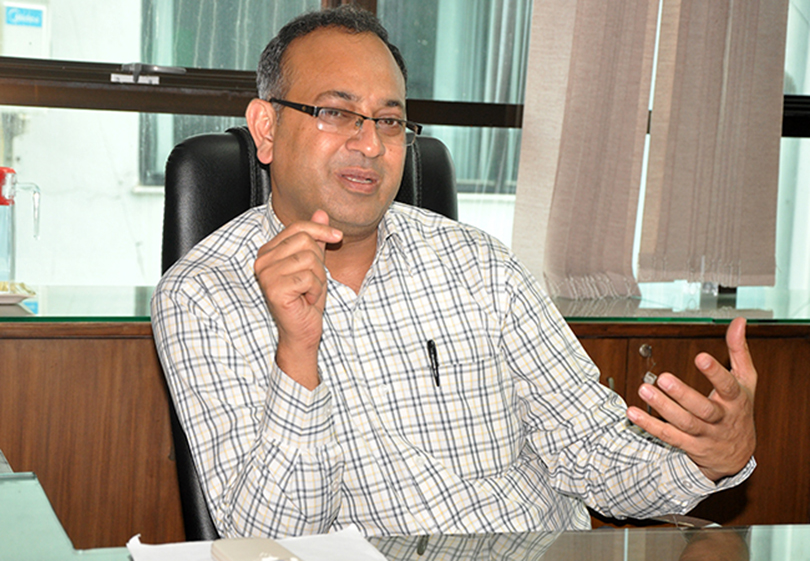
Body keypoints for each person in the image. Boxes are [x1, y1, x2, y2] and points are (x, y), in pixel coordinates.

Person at [151, 6, 756, 540]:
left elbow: (589, 447)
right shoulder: (203, 296)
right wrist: (297, 354)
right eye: (336, 113)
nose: (370, 145)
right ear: (266, 128)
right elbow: (273, 542)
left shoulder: (480, 265)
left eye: (389, 121)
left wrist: (708, 460)